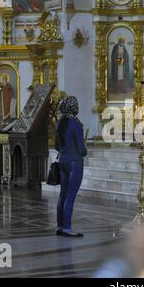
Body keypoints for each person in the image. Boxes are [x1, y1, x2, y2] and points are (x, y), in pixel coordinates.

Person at [55, 96, 87, 237]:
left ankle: (60, 226)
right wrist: (84, 151)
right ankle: (67, 227)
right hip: (75, 162)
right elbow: (81, 148)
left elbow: (57, 146)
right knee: (70, 196)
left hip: (62, 160)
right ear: (73, 108)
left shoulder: (60, 123)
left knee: (63, 194)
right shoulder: (75, 123)